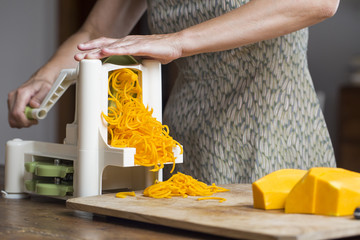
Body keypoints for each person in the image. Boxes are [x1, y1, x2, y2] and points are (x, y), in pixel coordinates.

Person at [7, 0, 340, 184]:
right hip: (181, 138)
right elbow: (96, 31)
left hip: (272, 134)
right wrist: (47, 76)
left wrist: (177, 41)